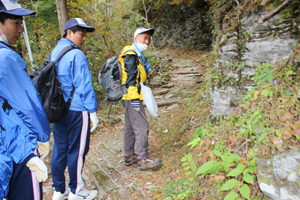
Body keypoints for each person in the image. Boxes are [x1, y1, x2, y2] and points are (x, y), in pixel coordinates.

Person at [0, 0, 51, 199]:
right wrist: (42, 136)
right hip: (20, 147)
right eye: (16, 23)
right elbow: (28, 105)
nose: (21, 29)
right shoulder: (6, 59)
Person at [50, 18, 99, 200]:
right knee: (77, 151)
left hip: (59, 110)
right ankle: (77, 191)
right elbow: (84, 85)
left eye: (85, 34)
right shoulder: (76, 54)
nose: (84, 37)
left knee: (60, 148)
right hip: (78, 110)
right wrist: (92, 111)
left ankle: (58, 190)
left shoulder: (54, 52)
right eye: (81, 33)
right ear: (69, 32)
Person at [120, 27, 162, 170]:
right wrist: (135, 98)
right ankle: (142, 158)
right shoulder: (131, 54)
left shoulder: (135, 54)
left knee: (130, 127)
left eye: (149, 39)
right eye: (144, 38)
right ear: (136, 38)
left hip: (128, 96)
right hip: (131, 96)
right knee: (142, 126)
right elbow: (130, 78)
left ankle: (129, 155)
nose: (147, 41)